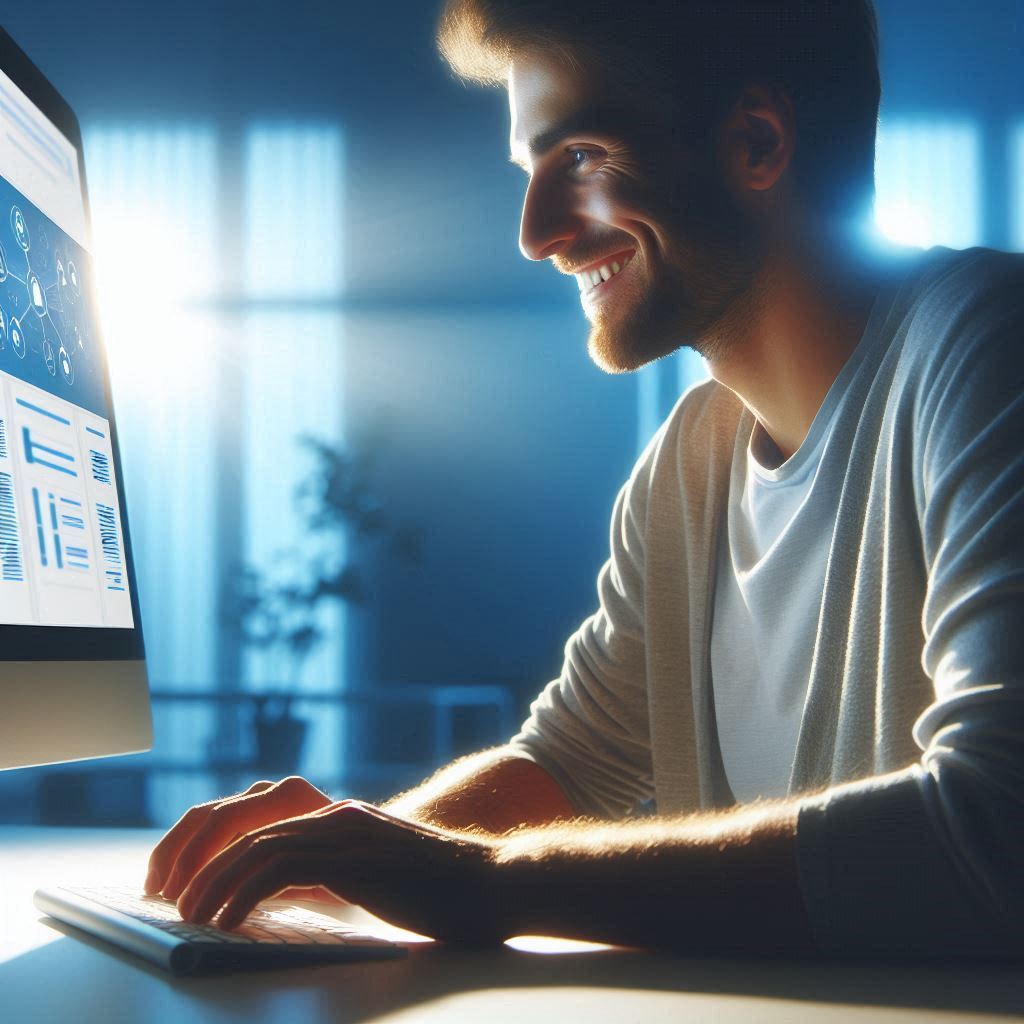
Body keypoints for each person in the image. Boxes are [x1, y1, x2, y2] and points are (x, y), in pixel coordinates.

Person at [145, 0, 1024, 957]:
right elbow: (565, 764)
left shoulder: (986, 348)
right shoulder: (689, 462)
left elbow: (996, 832)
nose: (536, 232)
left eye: (583, 160)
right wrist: (342, 853)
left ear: (757, 142)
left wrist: (485, 888)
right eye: (532, 172)